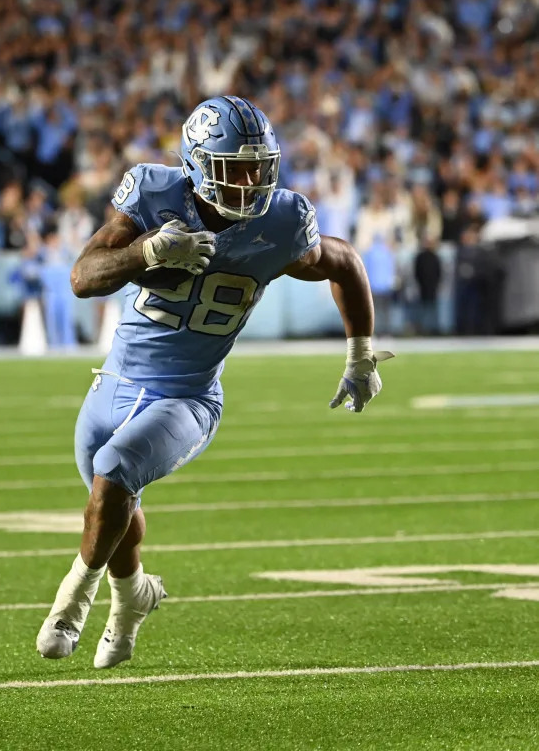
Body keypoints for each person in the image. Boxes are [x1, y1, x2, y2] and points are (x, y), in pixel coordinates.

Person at [36, 96, 393, 669]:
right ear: (199, 164)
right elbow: (83, 277)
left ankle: (70, 603)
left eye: (261, 166)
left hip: (188, 395)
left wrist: (360, 354)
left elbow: (344, 261)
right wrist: (146, 251)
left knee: (113, 474)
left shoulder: (279, 221)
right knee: (112, 508)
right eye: (237, 167)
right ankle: (133, 601)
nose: (252, 182)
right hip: (113, 384)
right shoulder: (155, 196)